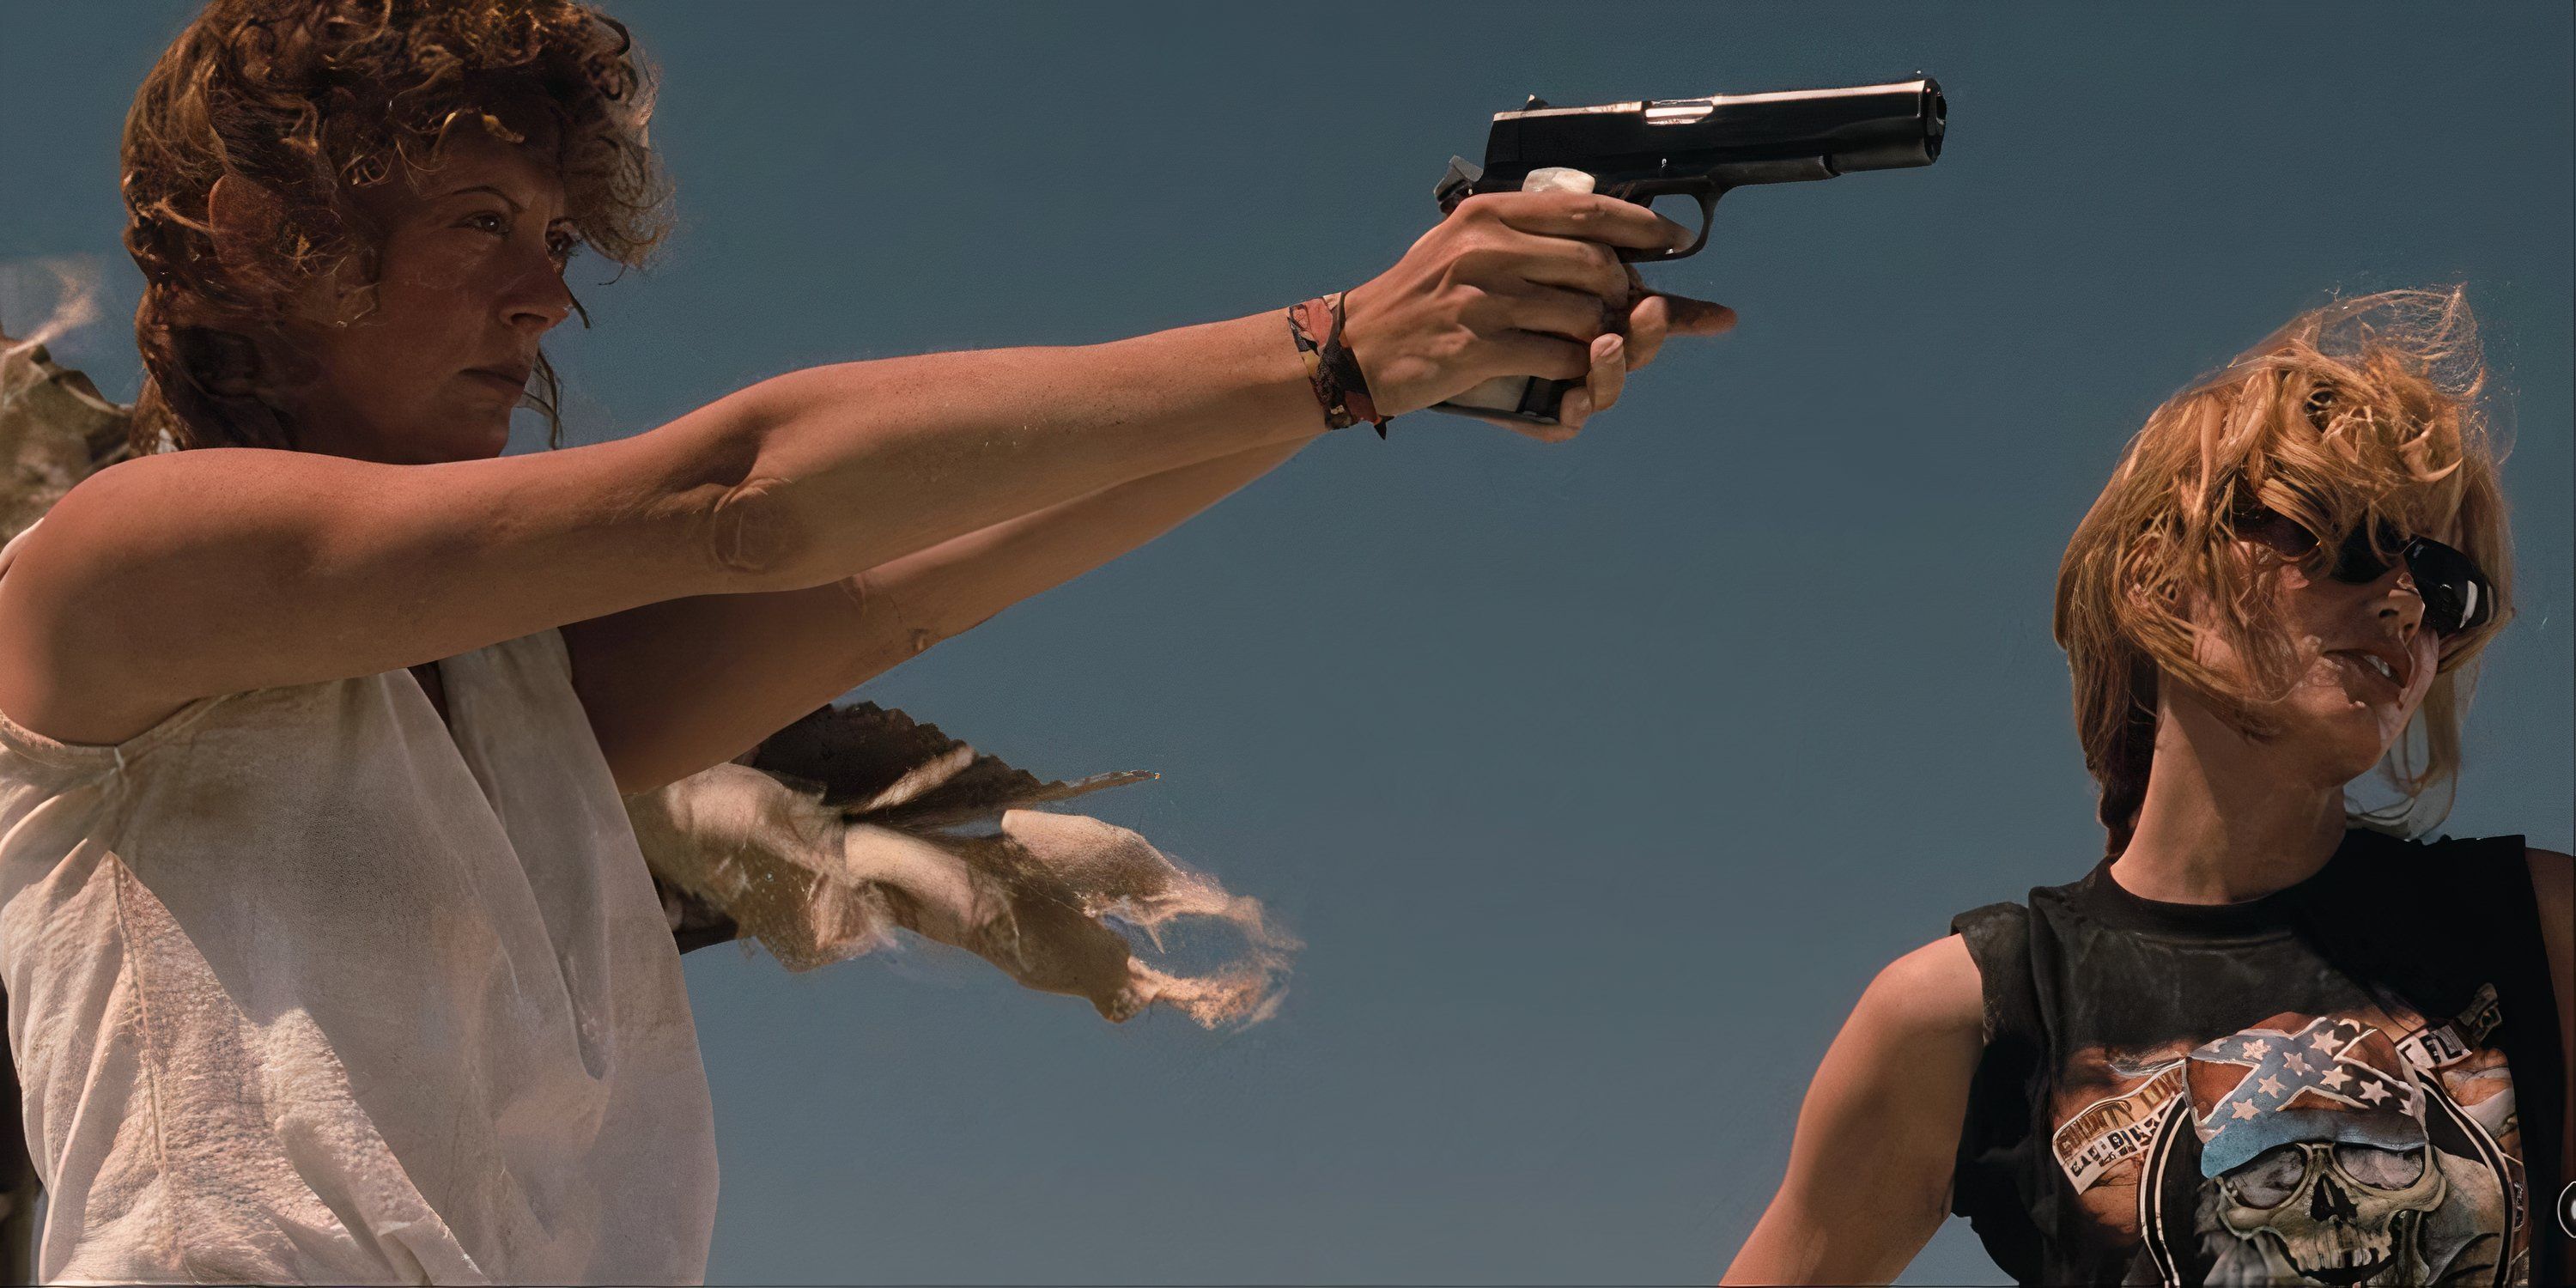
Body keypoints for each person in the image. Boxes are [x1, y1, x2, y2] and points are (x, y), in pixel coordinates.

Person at [0, 1, 1736, 1283]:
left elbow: (913, 575)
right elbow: (743, 495)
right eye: (477, 225)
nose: (544, 297)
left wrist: (1372, 377)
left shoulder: (521, 697)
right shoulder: (140, 554)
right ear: (262, 237)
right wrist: (1330, 338)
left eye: (553, 237)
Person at [1722, 289, 2572, 1286]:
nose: (2401, 603)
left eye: (2442, 588)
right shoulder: (1972, 1016)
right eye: (2348, 535)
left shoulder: (2539, 932)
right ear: (2161, 577)